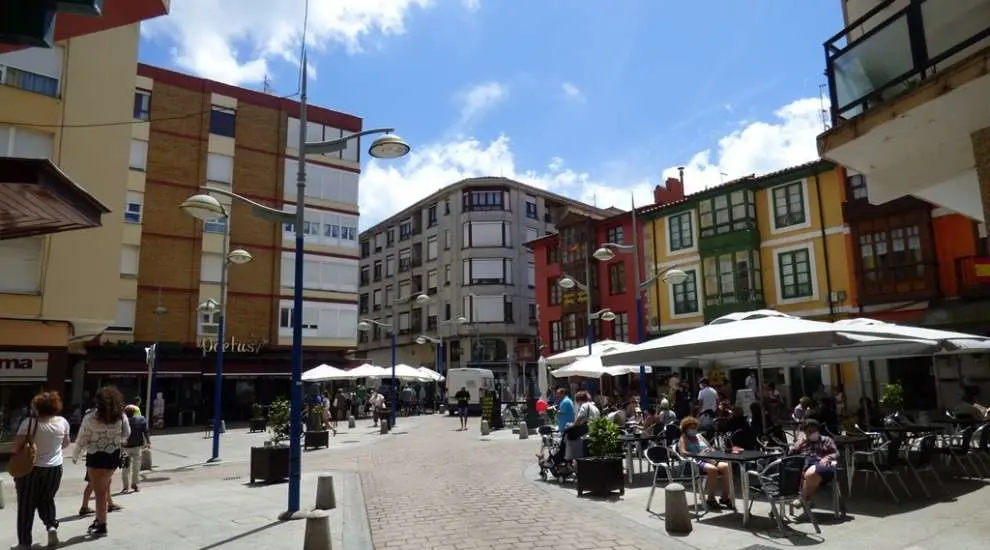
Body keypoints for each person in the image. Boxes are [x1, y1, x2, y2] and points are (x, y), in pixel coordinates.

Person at [11, 391, 70, 549]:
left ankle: (24, 543)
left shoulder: (29, 423)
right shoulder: (62, 422)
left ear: (37, 407)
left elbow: (16, 447)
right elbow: (65, 444)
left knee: (26, 505)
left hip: (31, 469)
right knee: (47, 499)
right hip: (54, 468)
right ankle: (51, 527)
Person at [73, 386, 130, 538]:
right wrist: (115, 439)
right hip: (113, 456)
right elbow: (127, 434)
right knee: (103, 488)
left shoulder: (90, 417)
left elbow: (82, 438)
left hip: (95, 455)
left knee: (99, 491)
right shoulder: (121, 417)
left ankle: (102, 524)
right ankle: (99, 519)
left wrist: (76, 454)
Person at [678, 416, 733, 509]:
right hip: (695, 461)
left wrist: (710, 450)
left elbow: (710, 447)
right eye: (691, 428)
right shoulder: (683, 438)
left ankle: (725, 497)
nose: (694, 430)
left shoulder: (699, 436)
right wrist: (698, 454)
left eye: (695, 427)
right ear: (685, 429)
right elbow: (682, 452)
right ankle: (711, 499)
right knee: (713, 470)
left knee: (726, 467)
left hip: (709, 458)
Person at [789, 419, 839, 508]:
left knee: (812, 473)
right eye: (809, 431)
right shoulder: (801, 442)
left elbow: (836, 453)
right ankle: (807, 499)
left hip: (822, 467)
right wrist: (800, 443)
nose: (812, 433)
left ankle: (802, 499)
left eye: (814, 430)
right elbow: (791, 454)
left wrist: (827, 458)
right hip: (804, 468)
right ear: (805, 432)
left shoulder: (826, 440)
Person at [120, 404, 150, 494]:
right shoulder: (140, 420)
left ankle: (127, 486)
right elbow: (146, 432)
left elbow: (145, 431)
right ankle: (133, 485)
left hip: (128, 447)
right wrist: (148, 442)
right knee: (135, 468)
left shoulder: (122, 421)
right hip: (135, 447)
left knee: (127, 468)